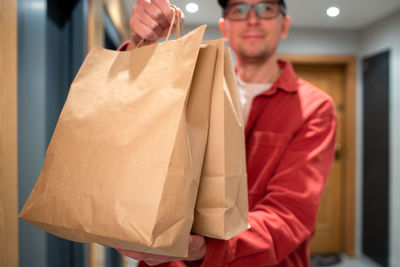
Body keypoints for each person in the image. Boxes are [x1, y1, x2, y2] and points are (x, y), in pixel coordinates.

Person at [117, 0, 337, 266]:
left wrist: (211, 248)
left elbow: (290, 214)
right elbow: (134, 124)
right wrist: (141, 48)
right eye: (239, 9)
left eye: (266, 8)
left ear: (284, 26)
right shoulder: (193, 84)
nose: (253, 19)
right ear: (225, 26)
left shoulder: (314, 107)